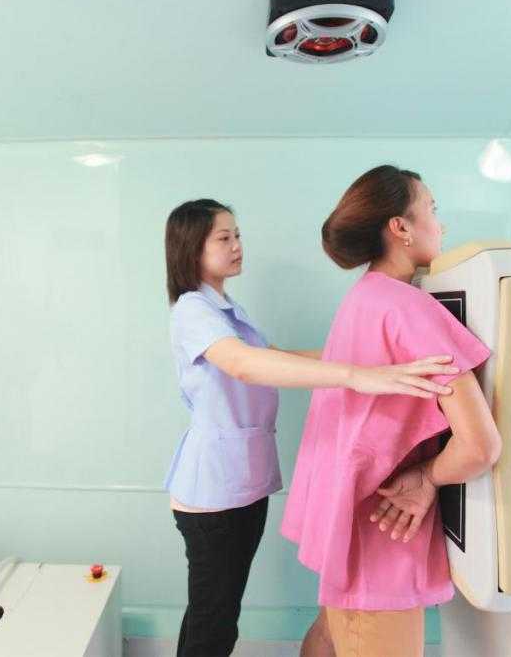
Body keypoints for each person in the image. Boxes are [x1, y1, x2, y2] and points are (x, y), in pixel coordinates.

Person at [164, 198, 461, 656]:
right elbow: (245, 365)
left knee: (220, 611)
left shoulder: (225, 308)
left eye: (237, 235)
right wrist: (355, 375)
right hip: (213, 490)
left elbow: (275, 356)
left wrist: (370, 354)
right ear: (191, 247)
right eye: (224, 238)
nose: (237, 246)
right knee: (213, 618)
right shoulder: (192, 310)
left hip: (242, 484)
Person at [282, 166, 502, 657]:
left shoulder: (363, 298)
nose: (441, 225)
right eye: (433, 210)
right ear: (400, 227)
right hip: (383, 535)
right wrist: (427, 477)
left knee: (331, 634)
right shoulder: (409, 308)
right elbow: (481, 445)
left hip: (350, 526)